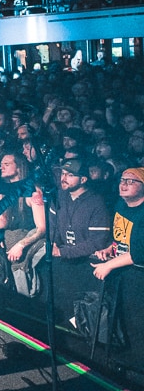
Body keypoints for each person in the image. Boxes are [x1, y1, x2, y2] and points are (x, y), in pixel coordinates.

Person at [92, 167, 144, 369]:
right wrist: (109, 250)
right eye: (123, 179)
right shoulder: (120, 206)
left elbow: (140, 252)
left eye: (131, 181)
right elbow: (120, 239)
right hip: (123, 270)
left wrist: (109, 265)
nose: (124, 184)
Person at [48, 158, 112, 324]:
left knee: (81, 315)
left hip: (85, 267)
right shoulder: (60, 196)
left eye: (70, 175)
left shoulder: (96, 203)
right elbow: (53, 225)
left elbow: (96, 242)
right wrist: (54, 242)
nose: (64, 178)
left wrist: (62, 251)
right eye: (63, 173)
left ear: (83, 179)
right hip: (63, 264)